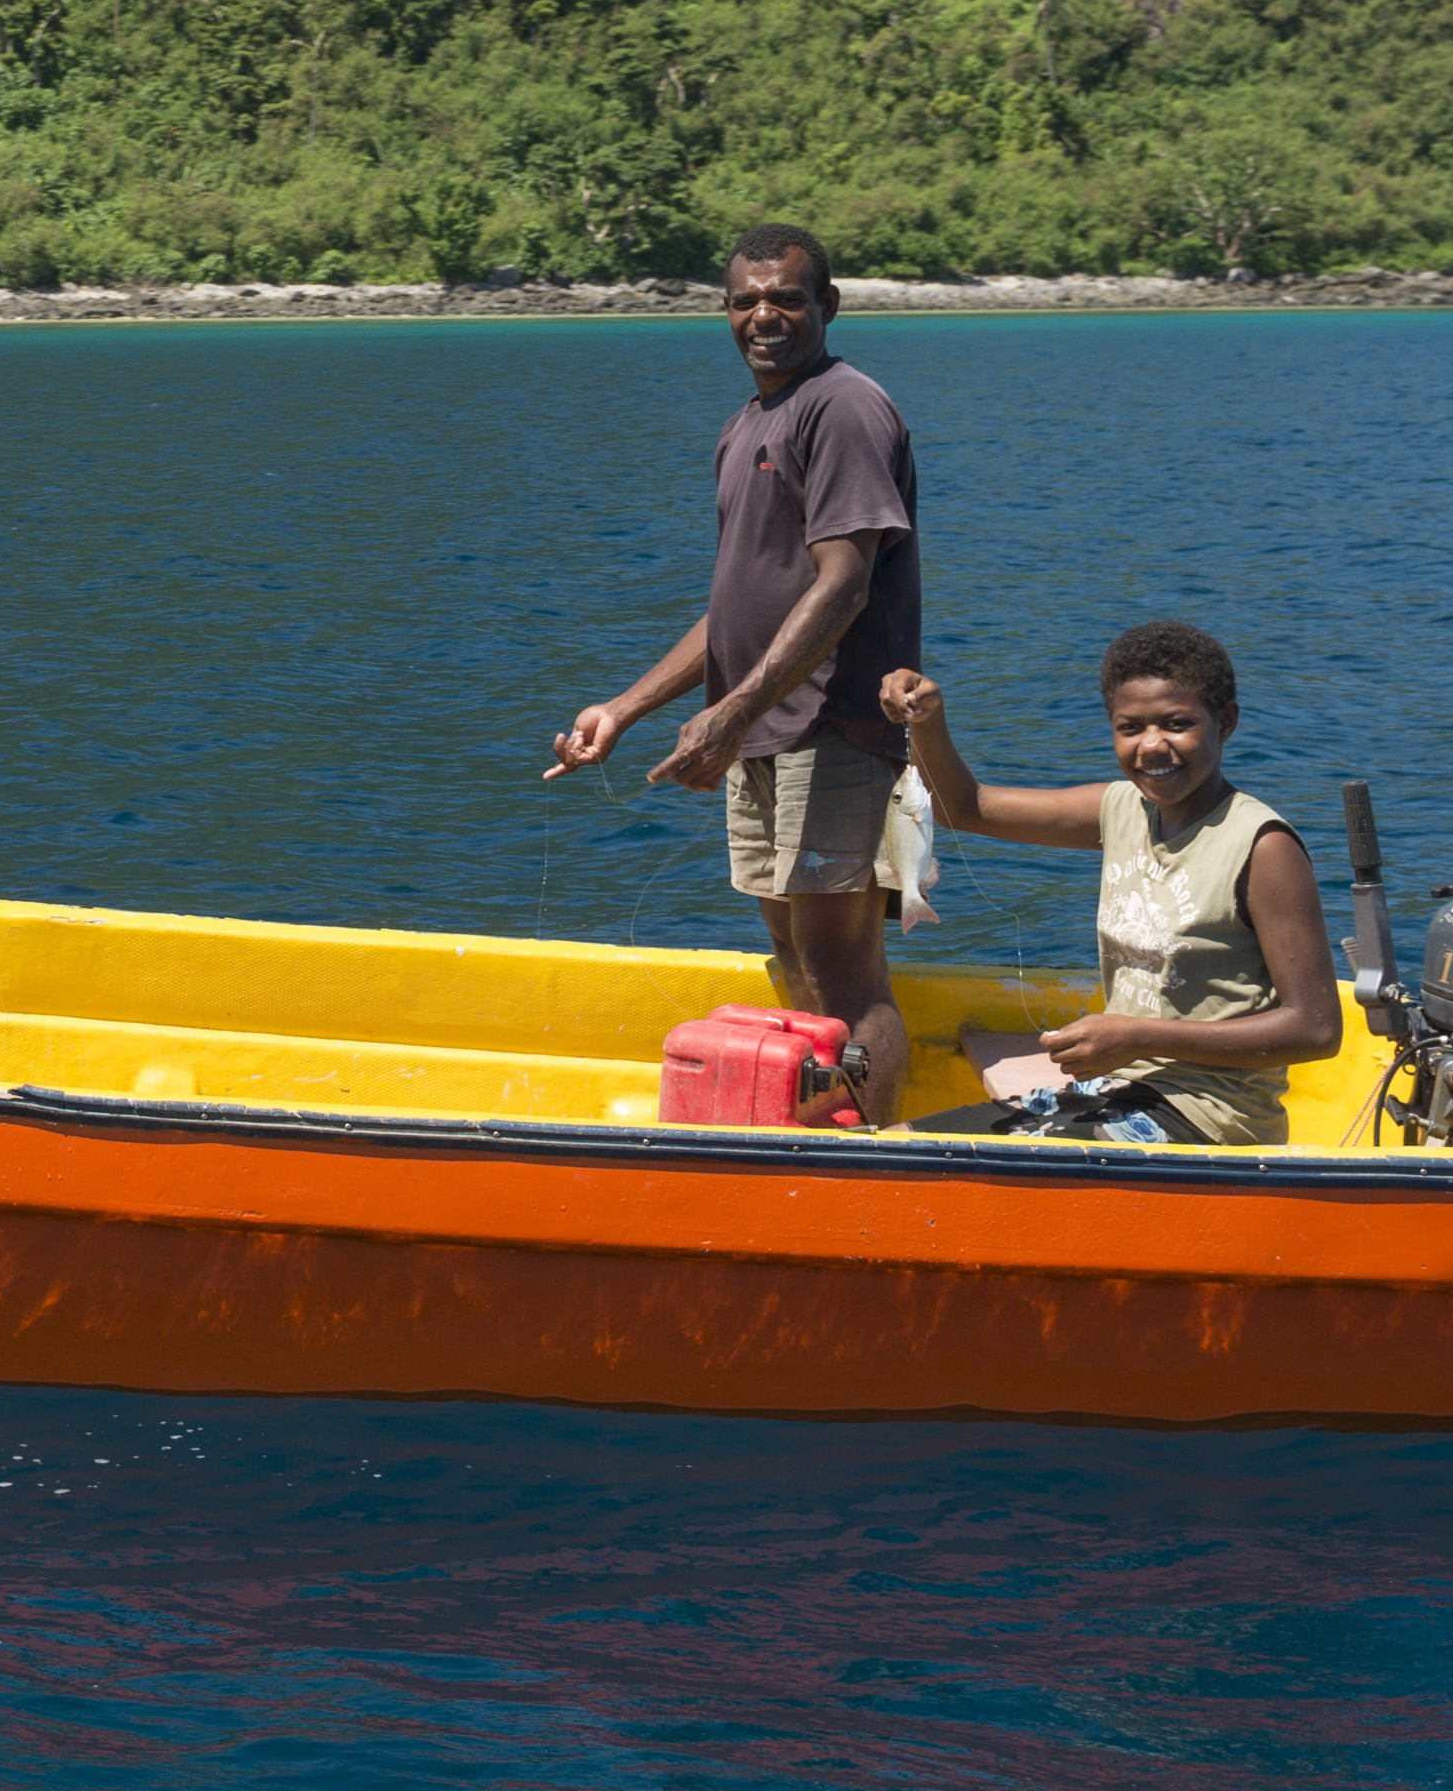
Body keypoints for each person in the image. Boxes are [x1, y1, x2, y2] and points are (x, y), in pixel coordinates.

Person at [546, 223, 923, 1124]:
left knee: (845, 968)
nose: (766, 315)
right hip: (762, 733)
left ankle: (875, 1154)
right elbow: (738, 604)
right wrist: (628, 708)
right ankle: (812, 1137)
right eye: (746, 299)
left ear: (825, 307)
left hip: (833, 729)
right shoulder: (748, 424)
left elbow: (844, 583)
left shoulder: (843, 408)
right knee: (792, 955)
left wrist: (734, 712)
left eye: (788, 298)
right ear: (723, 312)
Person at [877, 619, 1342, 1143]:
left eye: (1176, 723)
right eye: (1130, 727)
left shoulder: (1262, 846)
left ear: (1225, 722)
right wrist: (929, 721)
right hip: (1116, 1091)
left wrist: (1139, 1037)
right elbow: (963, 806)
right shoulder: (1119, 808)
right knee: (898, 1141)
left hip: (1209, 1119)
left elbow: (1315, 1028)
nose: (1152, 746)